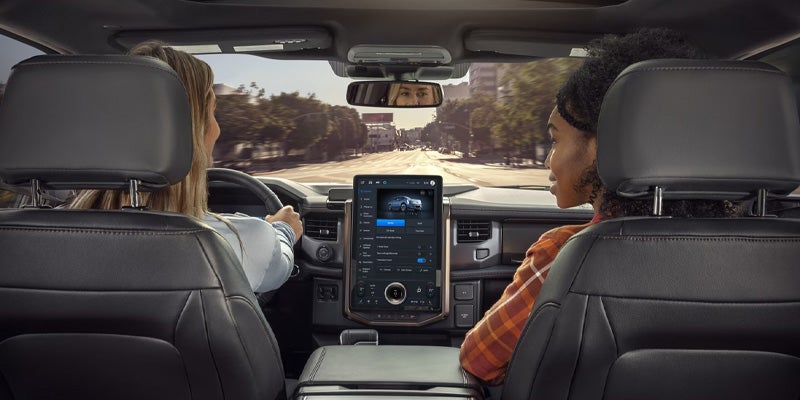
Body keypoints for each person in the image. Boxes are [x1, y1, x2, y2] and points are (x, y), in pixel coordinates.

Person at [459, 27, 739, 385]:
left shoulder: (567, 253)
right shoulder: (783, 256)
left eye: (554, 140)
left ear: (603, 144)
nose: (548, 160)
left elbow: (479, 359)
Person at [68, 41, 303, 293]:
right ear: (189, 128)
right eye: (212, 113)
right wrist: (284, 228)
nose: (217, 128)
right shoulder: (239, 243)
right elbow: (278, 263)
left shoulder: (33, 239)